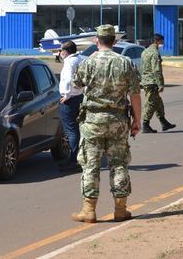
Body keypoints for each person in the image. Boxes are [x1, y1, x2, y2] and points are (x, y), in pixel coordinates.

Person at [71, 24, 141, 223]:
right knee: (119, 164)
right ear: (115, 42)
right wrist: (137, 120)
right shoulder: (126, 62)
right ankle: (120, 209)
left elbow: (76, 85)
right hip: (118, 121)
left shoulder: (89, 62)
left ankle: (89, 210)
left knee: (90, 165)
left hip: (92, 121)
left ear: (96, 41)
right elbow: (135, 94)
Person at [58, 40, 85, 173]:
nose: (59, 52)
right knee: (76, 129)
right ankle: (76, 158)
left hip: (70, 99)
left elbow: (68, 79)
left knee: (71, 130)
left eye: (61, 50)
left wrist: (66, 95)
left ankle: (73, 160)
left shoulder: (69, 62)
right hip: (79, 96)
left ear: (65, 51)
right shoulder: (79, 59)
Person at [140, 34, 176, 133]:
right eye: (162, 42)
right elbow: (156, 70)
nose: (162, 44)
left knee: (158, 103)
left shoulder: (145, 51)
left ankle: (164, 122)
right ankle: (145, 124)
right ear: (157, 41)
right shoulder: (154, 53)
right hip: (152, 82)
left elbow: (142, 67)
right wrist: (160, 84)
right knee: (151, 103)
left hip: (146, 80)